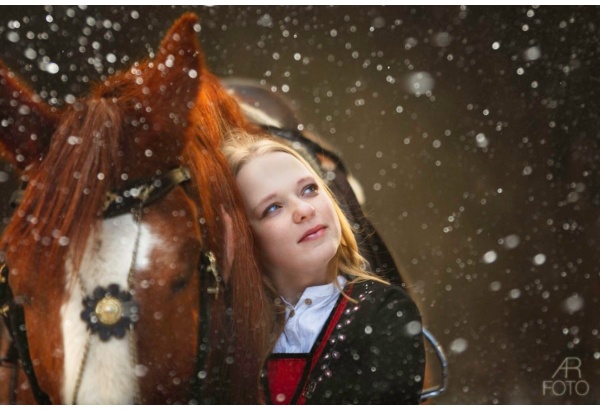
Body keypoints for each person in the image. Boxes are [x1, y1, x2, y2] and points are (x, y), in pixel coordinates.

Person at [222, 131, 425, 404]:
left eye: (309, 189)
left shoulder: (384, 312)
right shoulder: (229, 335)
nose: (304, 209)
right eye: (272, 208)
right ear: (244, 238)